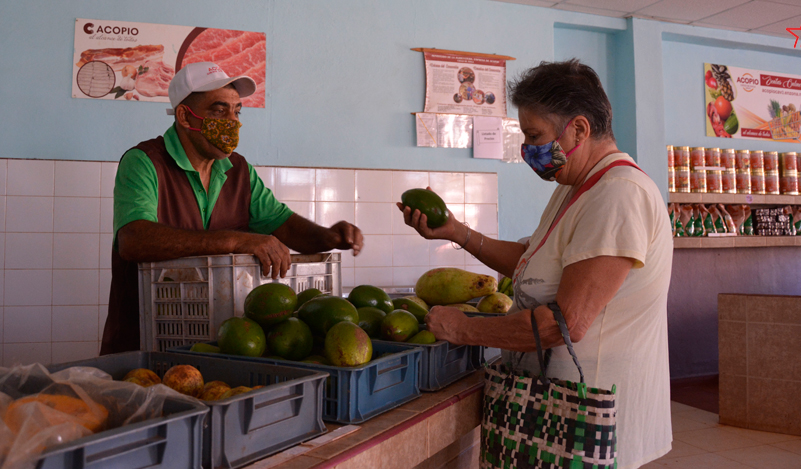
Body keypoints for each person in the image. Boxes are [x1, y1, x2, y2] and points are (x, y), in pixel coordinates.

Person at [399, 60, 673, 468]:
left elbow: (564, 322)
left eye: (535, 136)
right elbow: (535, 263)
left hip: (590, 417)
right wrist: (459, 233)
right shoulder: (579, 184)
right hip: (551, 409)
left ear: (578, 129)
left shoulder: (619, 194)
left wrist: (465, 329)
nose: (529, 151)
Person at [102, 62, 363, 355]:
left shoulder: (238, 170)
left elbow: (282, 223)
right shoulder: (144, 162)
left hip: (224, 346)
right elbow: (134, 240)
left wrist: (329, 237)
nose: (232, 121)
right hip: (145, 345)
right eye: (218, 110)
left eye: (236, 111)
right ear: (185, 117)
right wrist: (235, 240)